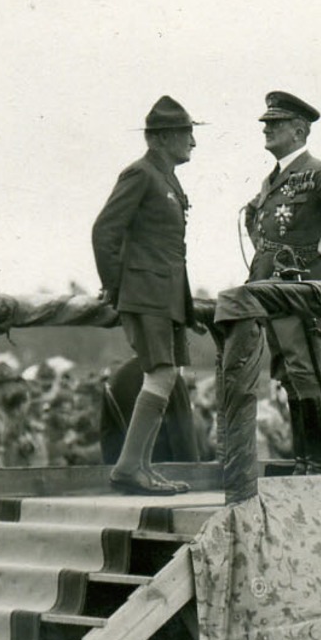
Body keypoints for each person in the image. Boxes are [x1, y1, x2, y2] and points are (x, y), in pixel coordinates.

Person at [242, 91, 321, 472]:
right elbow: (255, 219)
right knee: (289, 372)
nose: (267, 129)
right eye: (266, 123)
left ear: (299, 131)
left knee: (306, 369)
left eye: (276, 124)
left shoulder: (315, 172)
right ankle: (304, 459)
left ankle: (315, 461)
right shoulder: (274, 180)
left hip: (304, 290)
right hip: (276, 290)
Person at [91, 95, 201, 495]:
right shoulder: (140, 174)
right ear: (164, 137)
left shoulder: (165, 177)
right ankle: (129, 467)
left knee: (166, 376)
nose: (193, 142)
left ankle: (141, 467)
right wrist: (116, 285)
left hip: (165, 294)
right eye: (188, 133)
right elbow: (105, 230)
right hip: (147, 293)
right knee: (162, 373)